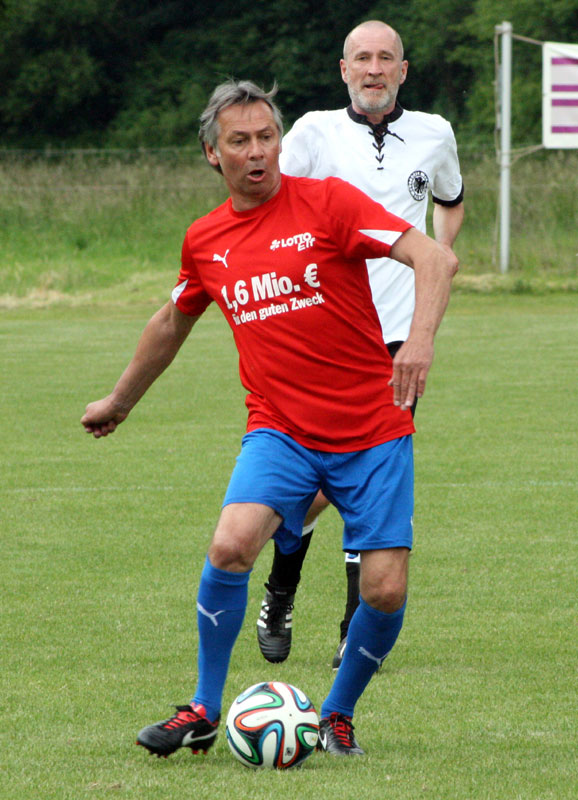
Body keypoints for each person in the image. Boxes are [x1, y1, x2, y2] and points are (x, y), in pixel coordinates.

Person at [81, 79, 457, 757]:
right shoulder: (206, 241)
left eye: (266, 137)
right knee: (230, 545)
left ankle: (337, 714)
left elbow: (433, 256)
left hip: (373, 429)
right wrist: (119, 401)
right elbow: (172, 321)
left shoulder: (329, 203)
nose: (258, 152)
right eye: (240, 141)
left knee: (385, 589)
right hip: (280, 429)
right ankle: (202, 706)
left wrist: (421, 339)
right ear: (210, 152)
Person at [256, 20, 465, 670]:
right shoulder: (314, 132)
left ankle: (351, 625)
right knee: (310, 488)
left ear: (404, 69)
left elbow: (452, 202)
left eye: (386, 59)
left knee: (372, 486)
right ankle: (282, 584)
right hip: (324, 337)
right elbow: (271, 206)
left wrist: (438, 256)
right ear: (343, 69)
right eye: (361, 59)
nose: (374, 69)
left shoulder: (436, 133)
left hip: (398, 342)